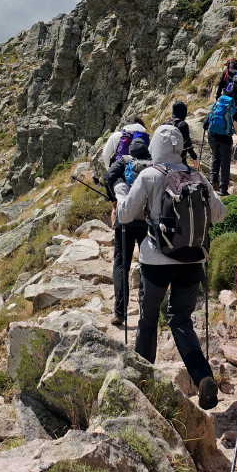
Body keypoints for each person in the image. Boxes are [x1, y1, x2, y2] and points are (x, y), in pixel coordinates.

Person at [115, 124, 228, 410]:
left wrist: (120, 191)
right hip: (193, 261)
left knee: (148, 319)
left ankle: (142, 382)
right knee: (180, 320)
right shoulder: (198, 176)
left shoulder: (150, 175)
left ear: (156, 147)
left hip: (156, 261)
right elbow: (220, 214)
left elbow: (125, 215)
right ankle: (203, 377)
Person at [105, 134, 152, 328]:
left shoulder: (124, 161)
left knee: (121, 265)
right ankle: (146, 310)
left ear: (130, 151)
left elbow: (108, 177)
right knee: (147, 264)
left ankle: (120, 312)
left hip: (125, 221)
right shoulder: (152, 165)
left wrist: (113, 200)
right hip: (147, 222)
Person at [205, 91, 237, 196]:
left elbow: (204, 124)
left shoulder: (215, 106)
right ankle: (223, 190)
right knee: (225, 163)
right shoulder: (232, 108)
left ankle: (212, 183)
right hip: (225, 139)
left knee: (215, 158)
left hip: (212, 137)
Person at [167, 101, 199, 169]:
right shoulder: (183, 125)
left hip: (166, 159)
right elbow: (187, 143)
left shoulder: (168, 123)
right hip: (179, 161)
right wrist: (194, 157)